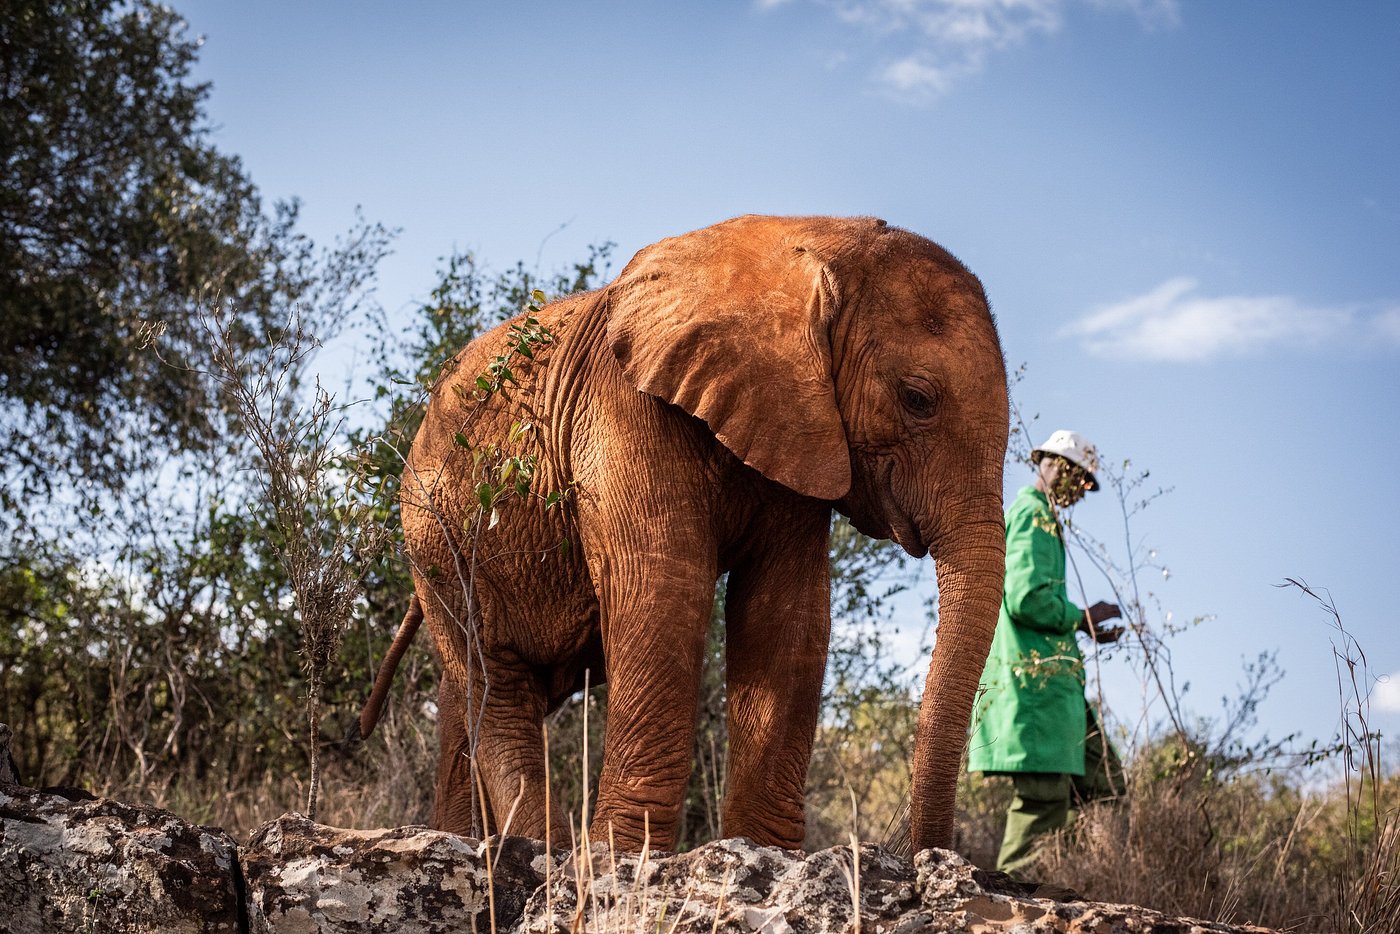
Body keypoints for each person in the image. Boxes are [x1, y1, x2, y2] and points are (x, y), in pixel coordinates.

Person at [968, 429, 1126, 876]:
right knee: (1043, 799)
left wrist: (1084, 625)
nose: (1080, 490)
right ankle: (1009, 901)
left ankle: (1064, 875)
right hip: (1034, 689)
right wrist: (1080, 617)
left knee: (1107, 784)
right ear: (1050, 465)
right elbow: (1026, 598)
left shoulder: (1046, 521)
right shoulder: (1032, 515)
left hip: (1059, 694)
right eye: (1076, 476)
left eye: (1086, 483)